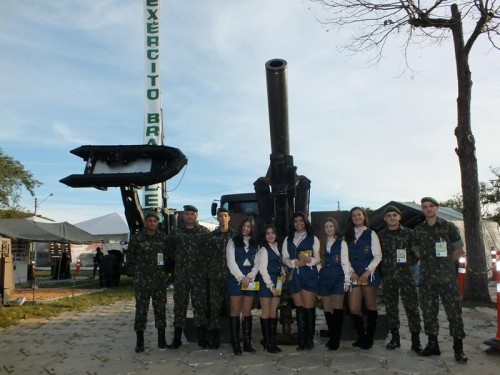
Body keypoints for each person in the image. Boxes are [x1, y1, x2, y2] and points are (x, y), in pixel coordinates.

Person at [412, 197, 468, 363]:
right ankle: (432, 345)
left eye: (431, 206)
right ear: (422, 210)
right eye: (425, 207)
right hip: (427, 279)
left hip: (447, 279)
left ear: (437, 208)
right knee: (429, 313)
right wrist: (430, 261)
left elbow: (459, 249)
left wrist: (445, 262)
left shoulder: (448, 226)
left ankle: (458, 349)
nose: (428, 209)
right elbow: (416, 251)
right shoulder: (418, 229)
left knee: (454, 314)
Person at [378, 205, 423, 354]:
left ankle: (416, 341)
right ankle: (395, 338)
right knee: (391, 308)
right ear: (385, 218)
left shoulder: (410, 233)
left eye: (394, 215)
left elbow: (416, 255)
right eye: (389, 215)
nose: (392, 217)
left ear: (399, 217)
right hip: (389, 277)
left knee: (412, 308)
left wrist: (407, 264)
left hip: (406, 277)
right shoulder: (380, 236)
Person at [168, 205, 211, 349]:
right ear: (183, 216)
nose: (190, 216)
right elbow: (170, 252)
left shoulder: (204, 233)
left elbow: (208, 254)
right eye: (187, 214)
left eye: (192, 213)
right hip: (181, 276)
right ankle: (177, 339)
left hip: (199, 277)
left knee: (200, 306)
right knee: (180, 306)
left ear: (196, 216)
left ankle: (202, 339)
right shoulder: (175, 233)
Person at [126, 211, 168, 353]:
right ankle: (140, 341)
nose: (152, 223)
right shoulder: (137, 238)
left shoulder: (164, 238)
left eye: (154, 221)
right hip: (142, 280)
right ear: (145, 222)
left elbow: (168, 257)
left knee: (160, 309)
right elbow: (130, 257)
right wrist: (136, 273)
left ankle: (161, 340)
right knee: (141, 310)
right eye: (149, 220)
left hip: (159, 280)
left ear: (158, 223)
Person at [344, 206, 382, 350]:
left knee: (371, 305)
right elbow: (344, 257)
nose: (357, 217)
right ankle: (361, 335)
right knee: (354, 308)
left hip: (368, 275)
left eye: (359, 215)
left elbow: (378, 255)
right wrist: (351, 272)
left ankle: (369, 337)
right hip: (354, 274)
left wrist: (368, 271)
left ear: (364, 217)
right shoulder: (346, 235)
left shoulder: (371, 234)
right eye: (354, 216)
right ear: (351, 219)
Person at [282, 211, 320, 350]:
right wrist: (293, 263)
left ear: (305, 222)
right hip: (295, 275)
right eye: (296, 221)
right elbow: (284, 257)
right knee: (299, 308)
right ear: (293, 224)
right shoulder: (288, 239)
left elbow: (318, 257)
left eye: (301, 220)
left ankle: (309, 340)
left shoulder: (313, 238)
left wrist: (309, 260)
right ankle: (301, 339)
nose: (298, 223)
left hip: (309, 274)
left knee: (308, 307)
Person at [226, 216, 259, 355]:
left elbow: (258, 263)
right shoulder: (232, 241)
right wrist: (241, 277)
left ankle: (247, 343)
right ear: (241, 227)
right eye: (244, 226)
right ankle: (235, 344)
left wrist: (250, 276)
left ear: (252, 229)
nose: (246, 229)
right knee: (235, 310)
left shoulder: (256, 244)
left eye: (249, 227)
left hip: (250, 280)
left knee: (247, 311)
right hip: (236, 279)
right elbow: (230, 262)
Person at [317, 217, 351, 350]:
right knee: (327, 308)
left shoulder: (341, 243)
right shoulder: (321, 244)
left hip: (338, 277)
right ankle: (332, 335)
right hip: (324, 278)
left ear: (335, 228)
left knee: (337, 308)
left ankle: (335, 339)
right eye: (326, 227)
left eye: (331, 226)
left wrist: (347, 280)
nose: (329, 229)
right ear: (324, 229)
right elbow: (318, 260)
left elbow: (345, 262)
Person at [206, 207, 234, 349]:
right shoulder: (211, 236)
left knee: (232, 308)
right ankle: (215, 338)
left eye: (225, 216)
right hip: (215, 277)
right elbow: (206, 257)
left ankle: (234, 336)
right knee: (214, 308)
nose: (223, 218)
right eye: (220, 216)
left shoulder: (235, 236)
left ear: (229, 218)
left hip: (231, 278)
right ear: (217, 218)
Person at [257, 224, 284, 353]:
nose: (270, 235)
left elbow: (279, 264)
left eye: (272, 233)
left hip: (277, 282)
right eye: (268, 233)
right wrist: (271, 286)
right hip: (267, 283)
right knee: (266, 313)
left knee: (274, 313)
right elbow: (262, 269)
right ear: (265, 236)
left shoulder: (277, 248)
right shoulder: (263, 250)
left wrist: (283, 273)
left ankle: (272, 341)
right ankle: (267, 343)